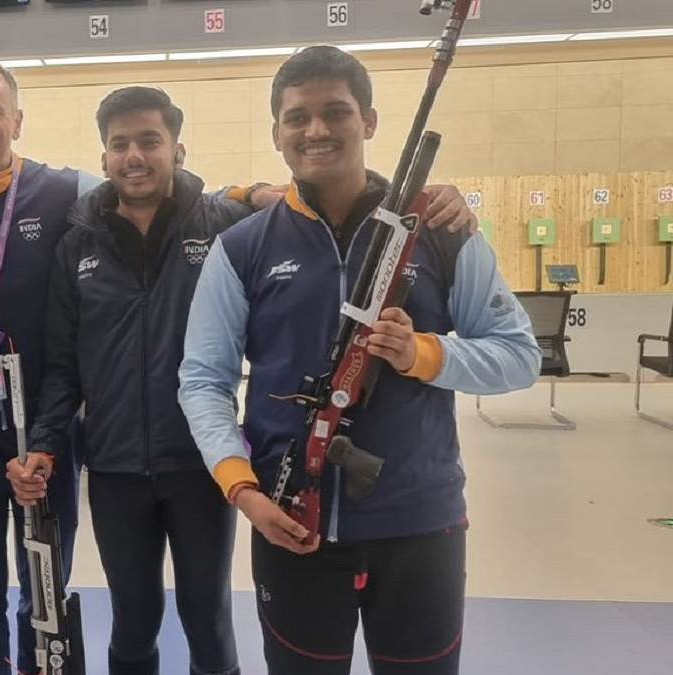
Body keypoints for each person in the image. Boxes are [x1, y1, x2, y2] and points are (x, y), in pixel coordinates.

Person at [8, 86, 481, 675]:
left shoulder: (224, 221)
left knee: (207, 617)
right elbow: (61, 368)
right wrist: (49, 445)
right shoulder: (78, 243)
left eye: (150, 141)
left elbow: (328, 194)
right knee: (132, 619)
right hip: (113, 467)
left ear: (177, 149)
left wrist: (436, 198)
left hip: (204, 468)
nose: (135, 156)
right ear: (103, 157)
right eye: (120, 144)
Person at [0, 56, 276, 675]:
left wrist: (248, 190)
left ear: (18, 119)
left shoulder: (68, 196)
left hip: (108, 445)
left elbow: (255, 210)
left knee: (56, 596)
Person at [178, 46, 541, 675]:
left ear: (368, 121)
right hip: (288, 518)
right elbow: (203, 381)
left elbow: (517, 356)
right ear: (278, 134)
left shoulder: (442, 230)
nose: (317, 130)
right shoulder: (241, 249)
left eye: (336, 111)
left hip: (419, 523)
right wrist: (241, 487)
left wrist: (424, 353)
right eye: (298, 117)